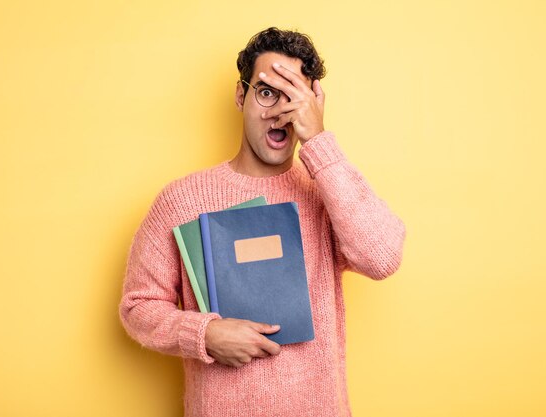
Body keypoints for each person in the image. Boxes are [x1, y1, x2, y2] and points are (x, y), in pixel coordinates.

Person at [119, 27, 406, 417]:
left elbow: (383, 256)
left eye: (295, 97)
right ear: (241, 95)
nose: (280, 112)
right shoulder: (181, 200)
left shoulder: (328, 192)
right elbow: (139, 307)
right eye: (268, 92)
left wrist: (319, 141)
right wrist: (204, 333)